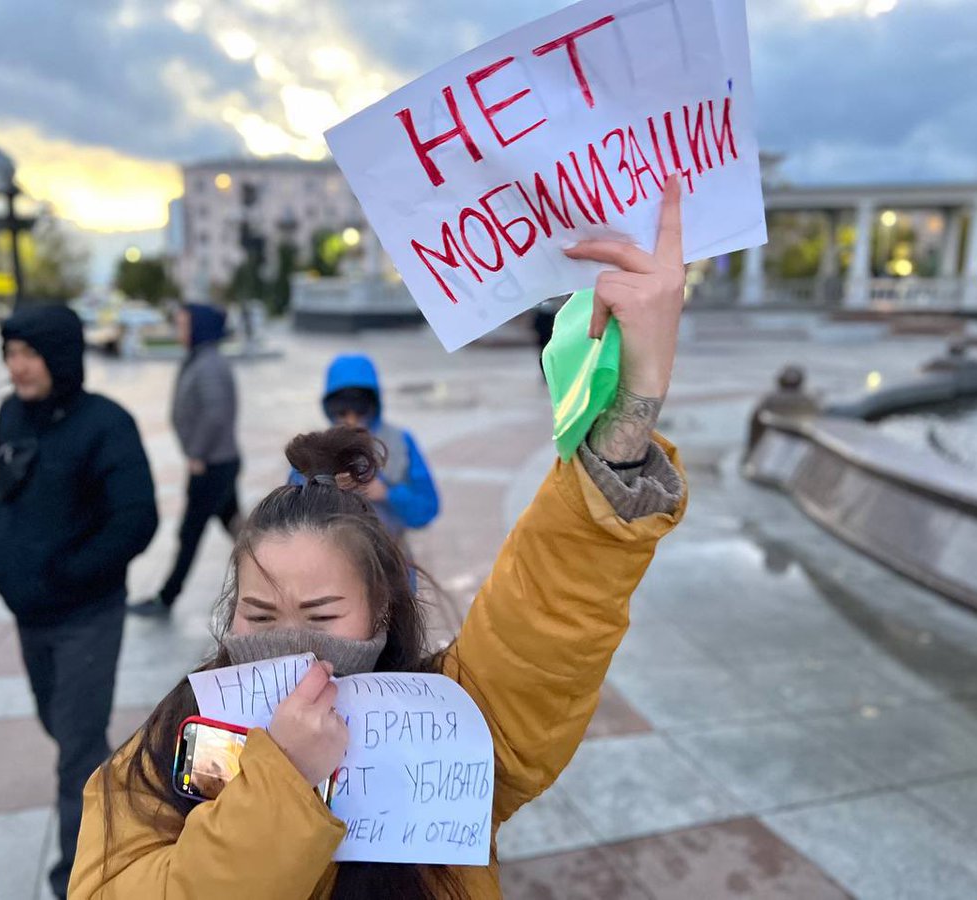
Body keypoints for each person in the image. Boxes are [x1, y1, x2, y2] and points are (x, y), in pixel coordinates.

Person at [68, 176, 689, 899]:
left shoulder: (452, 729)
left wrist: (628, 412)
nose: (293, 646)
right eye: (260, 617)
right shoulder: (157, 760)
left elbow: (549, 618)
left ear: (383, 612)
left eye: (325, 616)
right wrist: (281, 782)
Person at [0, 304, 158, 900]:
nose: (17, 366)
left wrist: (69, 574)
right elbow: (5, 497)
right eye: (10, 353)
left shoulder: (106, 425)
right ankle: (119, 813)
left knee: (77, 748)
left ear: (59, 356)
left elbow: (137, 519)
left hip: (86, 615)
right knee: (60, 728)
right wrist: (5, 562)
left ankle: (78, 879)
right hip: (30, 614)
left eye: (29, 353)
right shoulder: (11, 414)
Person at [130, 304, 240, 618]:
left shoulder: (208, 365)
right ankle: (277, 574)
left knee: (189, 534)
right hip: (218, 461)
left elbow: (216, 414)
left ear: (199, 327)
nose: (178, 330)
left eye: (182, 324)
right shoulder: (202, 359)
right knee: (237, 526)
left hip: (211, 464)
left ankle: (166, 597)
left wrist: (197, 453)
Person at [292, 353, 439, 556]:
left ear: (373, 405)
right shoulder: (316, 450)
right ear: (329, 408)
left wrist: (388, 493)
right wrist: (325, 491)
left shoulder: (399, 442)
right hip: (333, 562)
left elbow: (427, 509)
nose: (351, 420)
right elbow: (292, 514)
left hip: (391, 560)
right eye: (341, 411)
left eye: (360, 409)